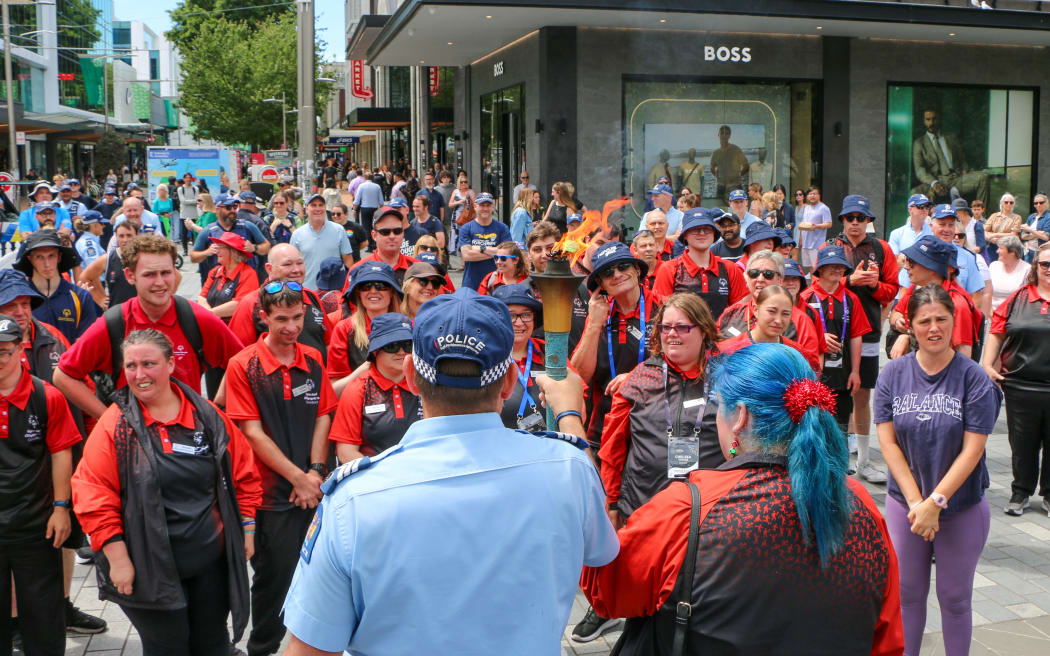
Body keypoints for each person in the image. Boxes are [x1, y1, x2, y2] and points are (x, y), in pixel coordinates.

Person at [281, 289, 618, 654]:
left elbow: (309, 647)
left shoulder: (353, 500)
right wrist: (571, 417)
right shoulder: (567, 469)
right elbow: (600, 552)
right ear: (508, 383)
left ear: (410, 376)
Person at [582, 342, 904, 655]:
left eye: (718, 406)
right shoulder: (857, 502)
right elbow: (886, 637)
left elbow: (605, 591)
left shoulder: (688, 509)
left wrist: (574, 435)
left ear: (739, 416)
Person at [71, 329, 263, 655]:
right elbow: (92, 494)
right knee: (167, 648)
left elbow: (244, 472)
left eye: (149, 363)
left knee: (213, 645)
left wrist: (246, 527)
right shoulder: (115, 425)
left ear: (171, 364)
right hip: (146, 567)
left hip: (209, 565)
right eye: (131, 366)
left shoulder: (207, 416)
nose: (139, 374)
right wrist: (118, 559)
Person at [876, 284, 1001, 656]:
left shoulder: (973, 377)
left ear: (954, 320)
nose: (934, 328)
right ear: (910, 326)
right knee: (908, 596)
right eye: (924, 320)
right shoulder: (893, 374)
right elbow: (888, 443)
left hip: (960, 506)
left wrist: (937, 501)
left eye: (942, 319)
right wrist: (918, 503)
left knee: (955, 598)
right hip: (907, 506)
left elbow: (973, 449)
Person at [224, 282, 337, 656]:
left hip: (311, 488)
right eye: (282, 319)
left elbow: (323, 415)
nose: (291, 327)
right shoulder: (244, 365)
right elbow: (251, 432)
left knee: (318, 574)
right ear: (263, 317)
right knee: (273, 580)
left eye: (298, 318)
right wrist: (298, 477)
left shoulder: (313, 358)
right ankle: (262, 647)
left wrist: (316, 471)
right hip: (270, 494)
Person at [54, 234, 244, 416]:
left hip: (189, 437)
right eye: (150, 275)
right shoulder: (114, 323)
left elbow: (243, 363)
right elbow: (63, 375)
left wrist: (217, 407)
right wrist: (107, 419)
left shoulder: (197, 319)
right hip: (133, 440)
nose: (160, 282)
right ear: (130, 275)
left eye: (166, 273)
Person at [598, 292, 721, 527]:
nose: (672, 334)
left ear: (703, 330)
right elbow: (612, 447)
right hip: (642, 508)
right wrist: (612, 501)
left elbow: (738, 443)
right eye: (665, 327)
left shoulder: (725, 377)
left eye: (682, 327)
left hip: (706, 514)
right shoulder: (641, 377)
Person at [0, 313, 83, 656]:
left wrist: (61, 508)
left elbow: (62, 453)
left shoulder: (45, 395)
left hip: (35, 523)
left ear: (20, 349)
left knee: (43, 613)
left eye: (4, 351)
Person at [825, 194, 901, 484]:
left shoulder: (881, 249)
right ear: (842, 220)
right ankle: (836, 457)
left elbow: (892, 290)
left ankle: (865, 461)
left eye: (861, 218)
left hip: (867, 331)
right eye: (849, 218)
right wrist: (849, 281)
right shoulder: (830, 247)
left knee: (863, 393)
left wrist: (874, 285)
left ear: (869, 221)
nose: (855, 223)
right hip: (833, 331)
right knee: (831, 390)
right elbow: (820, 283)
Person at [571, 241, 661, 450]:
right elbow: (579, 376)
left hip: (653, 422)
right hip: (605, 427)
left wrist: (636, 377)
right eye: (608, 272)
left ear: (637, 270)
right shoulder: (599, 315)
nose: (617, 274)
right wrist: (594, 325)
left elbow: (681, 364)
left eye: (623, 266)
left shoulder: (664, 308)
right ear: (601, 284)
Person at [983, 243, 1050, 517]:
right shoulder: (1020, 297)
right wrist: (987, 363)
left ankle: (1048, 493)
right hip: (1020, 384)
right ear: (1036, 267)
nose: (1049, 270)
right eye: (1045, 264)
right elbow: (997, 331)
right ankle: (1020, 491)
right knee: (1022, 443)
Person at [798, 246, 873, 470]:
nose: (835, 270)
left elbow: (857, 336)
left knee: (841, 419)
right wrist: (820, 338)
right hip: (814, 374)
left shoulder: (851, 299)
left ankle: (840, 466)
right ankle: (815, 465)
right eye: (830, 266)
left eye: (840, 266)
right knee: (813, 419)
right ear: (819, 269)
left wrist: (856, 371)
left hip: (843, 372)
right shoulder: (805, 297)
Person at [329, 312, 421, 461]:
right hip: (376, 479)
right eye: (392, 346)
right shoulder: (358, 389)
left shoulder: (424, 385)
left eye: (407, 345)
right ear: (376, 351)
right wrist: (384, 474)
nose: (402, 352)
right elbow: (345, 451)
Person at [717, 250, 823, 371]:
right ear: (746, 277)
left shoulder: (801, 320)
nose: (760, 278)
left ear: (780, 280)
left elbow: (811, 369)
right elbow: (714, 357)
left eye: (768, 274)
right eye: (754, 273)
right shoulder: (730, 314)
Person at [228, 244, 333, 364]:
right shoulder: (251, 304)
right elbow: (237, 357)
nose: (296, 270)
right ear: (269, 268)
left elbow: (328, 342)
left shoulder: (311, 297)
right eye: (287, 264)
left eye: (299, 263)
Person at [889, 235, 980, 360]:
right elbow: (895, 313)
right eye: (907, 260)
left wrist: (907, 335)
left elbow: (963, 359)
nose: (906, 266)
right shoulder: (917, 288)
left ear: (932, 267)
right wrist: (900, 327)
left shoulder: (957, 304)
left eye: (912, 261)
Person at [653, 208, 749, 318]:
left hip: (722, 334)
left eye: (707, 229)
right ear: (685, 235)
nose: (702, 233)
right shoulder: (669, 269)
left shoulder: (729, 268)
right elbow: (662, 314)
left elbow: (741, 313)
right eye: (695, 229)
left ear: (714, 233)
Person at [15, 230, 102, 344]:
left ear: (59, 257)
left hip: (69, 360)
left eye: (51, 256)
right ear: (30, 259)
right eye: (39, 257)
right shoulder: (20, 298)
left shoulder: (81, 297)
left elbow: (86, 345)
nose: (47, 264)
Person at [328, 262, 403, 393]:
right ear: (358, 292)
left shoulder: (408, 327)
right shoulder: (344, 329)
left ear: (392, 291)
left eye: (381, 286)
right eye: (366, 286)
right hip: (359, 405)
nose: (373, 291)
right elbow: (334, 391)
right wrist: (368, 367)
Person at [910, 107, 989, 207]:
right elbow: (920, 170)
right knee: (915, 192)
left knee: (983, 177)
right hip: (935, 180)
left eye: (934, 119)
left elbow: (962, 159)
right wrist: (934, 183)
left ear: (939, 119)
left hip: (956, 179)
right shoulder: (919, 143)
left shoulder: (951, 138)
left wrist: (965, 170)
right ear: (924, 121)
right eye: (928, 119)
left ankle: (981, 218)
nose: (931, 123)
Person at [719, 285, 812, 367]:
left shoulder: (796, 353)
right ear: (756, 310)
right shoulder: (729, 350)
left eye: (785, 314)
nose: (778, 320)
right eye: (772, 311)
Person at [190, 193, 268, 286]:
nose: (232, 210)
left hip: (245, 283)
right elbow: (193, 257)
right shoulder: (208, 231)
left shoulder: (247, 226)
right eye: (228, 208)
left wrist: (254, 248)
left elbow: (266, 246)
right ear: (218, 209)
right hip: (219, 285)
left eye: (235, 207)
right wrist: (207, 252)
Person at [928, 203, 987, 312]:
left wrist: (964, 319)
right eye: (942, 224)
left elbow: (977, 295)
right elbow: (906, 291)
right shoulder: (920, 251)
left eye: (951, 225)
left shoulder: (967, 257)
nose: (947, 229)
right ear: (931, 226)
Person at [289, 194, 354, 290]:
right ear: (307, 209)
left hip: (333, 290)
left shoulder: (338, 230)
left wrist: (344, 284)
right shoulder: (297, 234)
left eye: (321, 205)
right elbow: (292, 264)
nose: (318, 208)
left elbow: (348, 259)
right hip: (307, 290)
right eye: (313, 205)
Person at [197, 232, 260, 321]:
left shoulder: (248, 274)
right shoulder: (215, 272)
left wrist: (210, 314)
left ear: (233, 252)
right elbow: (202, 297)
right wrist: (210, 315)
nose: (217, 251)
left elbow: (240, 304)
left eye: (220, 247)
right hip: (212, 326)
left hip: (234, 331)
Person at [79, 218, 140, 309]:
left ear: (137, 235)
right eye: (121, 236)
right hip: (117, 315)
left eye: (129, 235)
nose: (125, 240)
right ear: (116, 236)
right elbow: (84, 277)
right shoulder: (108, 259)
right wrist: (100, 299)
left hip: (142, 313)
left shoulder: (144, 257)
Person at [458, 192, 512, 291]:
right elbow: (466, 255)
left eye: (488, 205)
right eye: (482, 205)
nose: (485, 209)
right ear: (475, 206)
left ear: (493, 207)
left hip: (496, 283)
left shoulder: (502, 228)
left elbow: (508, 253)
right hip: (471, 284)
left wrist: (480, 248)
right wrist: (496, 253)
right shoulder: (466, 228)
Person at [987, 235, 1030, 312]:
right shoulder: (994, 266)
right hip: (992, 313)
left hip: (1014, 315)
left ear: (1012, 252)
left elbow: (1028, 298)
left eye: (1001, 248)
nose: (997, 251)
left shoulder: (1027, 269)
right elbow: (986, 293)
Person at [796, 186, 833, 270]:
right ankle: (813, 283)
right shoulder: (806, 208)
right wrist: (800, 240)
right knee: (810, 268)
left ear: (819, 195)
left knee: (816, 267)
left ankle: (816, 283)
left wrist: (816, 226)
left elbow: (829, 224)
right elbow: (803, 224)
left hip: (816, 243)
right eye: (810, 194)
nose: (812, 196)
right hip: (806, 243)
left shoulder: (824, 208)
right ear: (807, 196)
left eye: (814, 194)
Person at [709, 124, 749, 200]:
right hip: (721, 187)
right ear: (719, 135)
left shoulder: (736, 150)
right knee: (719, 209)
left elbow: (746, 166)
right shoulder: (716, 153)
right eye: (722, 133)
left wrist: (737, 176)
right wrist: (718, 177)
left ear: (729, 135)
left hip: (735, 186)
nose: (724, 135)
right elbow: (712, 168)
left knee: (737, 207)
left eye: (726, 133)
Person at [984, 193, 1023, 263]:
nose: (1009, 204)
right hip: (992, 246)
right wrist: (992, 239)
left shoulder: (1017, 217)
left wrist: (995, 235)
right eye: (1006, 202)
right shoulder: (994, 216)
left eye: (1011, 203)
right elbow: (983, 231)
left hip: (1008, 248)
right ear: (1001, 203)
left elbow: (1013, 234)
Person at [352, 174, 385, 250]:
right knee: (374, 226)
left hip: (365, 208)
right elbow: (381, 201)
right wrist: (381, 210)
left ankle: (370, 245)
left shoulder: (362, 186)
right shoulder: (377, 186)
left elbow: (357, 200)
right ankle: (375, 243)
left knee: (366, 227)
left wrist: (354, 210)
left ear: (364, 178)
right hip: (374, 208)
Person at [1020, 193, 1050, 263]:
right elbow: (1023, 236)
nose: (1038, 205)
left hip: (1041, 251)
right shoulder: (1031, 217)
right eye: (1036, 203)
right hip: (1028, 251)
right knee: (1029, 273)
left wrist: (1030, 230)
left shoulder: (1048, 217)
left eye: (1041, 203)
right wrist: (1038, 233)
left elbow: (1046, 237)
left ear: (1046, 203)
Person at [176, 174, 199, 255]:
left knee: (195, 231)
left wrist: (189, 201)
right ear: (184, 179)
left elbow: (197, 200)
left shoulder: (195, 188)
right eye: (186, 178)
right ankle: (185, 250)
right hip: (184, 214)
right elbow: (182, 201)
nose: (188, 179)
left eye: (189, 178)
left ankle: (195, 248)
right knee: (184, 233)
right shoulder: (180, 189)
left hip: (194, 213)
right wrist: (193, 201)